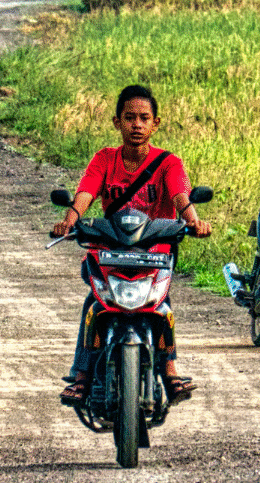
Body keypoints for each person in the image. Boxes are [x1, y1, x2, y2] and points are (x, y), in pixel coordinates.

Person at [52, 84, 211, 405]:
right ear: (116, 122)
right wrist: (71, 218)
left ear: (156, 124)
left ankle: (170, 371)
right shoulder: (104, 159)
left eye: (143, 118)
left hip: (154, 254)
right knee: (94, 305)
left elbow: (181, 195)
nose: (136, 124)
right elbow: (86, 191)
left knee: (161, 306)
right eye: (129, 118)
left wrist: (193, 221)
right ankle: (82, 377)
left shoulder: (168, 163)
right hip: (110, 249)